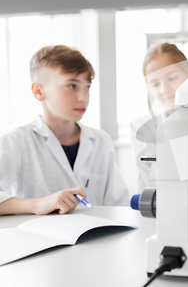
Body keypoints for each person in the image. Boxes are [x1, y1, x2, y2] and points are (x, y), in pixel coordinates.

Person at [0, 45, 129, 215]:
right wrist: (36, 204)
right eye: (72, 86)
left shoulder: (101, 141)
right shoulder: (15, 141)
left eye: (87, 87)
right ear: (39, 91)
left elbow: (119, 205)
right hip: (40, 240)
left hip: (96, 239)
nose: (83, 97)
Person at [129, 42, 188, 193]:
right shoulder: (142, 127)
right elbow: (146, 182)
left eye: (171, 78)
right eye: (155, 84)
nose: (164, 89)